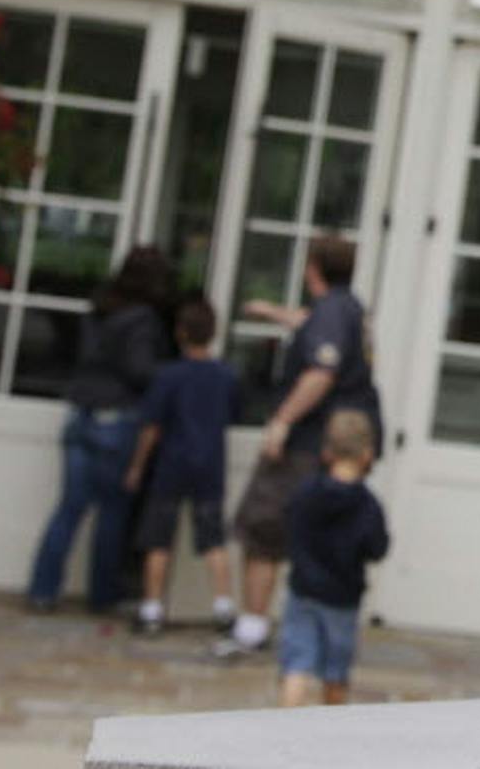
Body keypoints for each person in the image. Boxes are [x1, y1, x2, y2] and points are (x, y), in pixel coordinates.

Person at [216, 234, 379, 659]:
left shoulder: (331, 312)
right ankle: (321, 633)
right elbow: (312, 325)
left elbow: (321, 372)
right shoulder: (349, 308)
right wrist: (272, 312)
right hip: (334, 443)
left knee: (263, 527)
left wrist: (281, 422)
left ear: (313, 268)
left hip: (307, 442)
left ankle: (253, 627)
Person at [27, 245, 172, 613]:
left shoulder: (100, 307)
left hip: (80, 411)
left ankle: (42, 590)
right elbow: (139, 370)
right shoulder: (142, 318)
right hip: (116, 417)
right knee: (112, 512)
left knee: (70, 506)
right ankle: (103, 596)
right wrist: (173, 374)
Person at [123, 298, 241, 636]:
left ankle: (152, 608)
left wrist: (137, 465)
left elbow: (152, 427)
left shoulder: (169, 376)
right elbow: (234, 415)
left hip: (172, 464)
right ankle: (223, 606)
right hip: (209, 464)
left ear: (181, 333)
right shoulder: (226, 376)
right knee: (213, 538)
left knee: (158, 539)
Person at [278, 408, 389, 707]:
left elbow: (289, 524)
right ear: (367, 455)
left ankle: (285, 720)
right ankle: (332, 724)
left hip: (303, 589)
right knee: (335, 671)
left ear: (327, 451)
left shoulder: (306, 492)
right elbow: (378, 549)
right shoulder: (368, 505)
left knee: (296, 664)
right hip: (342, 598)